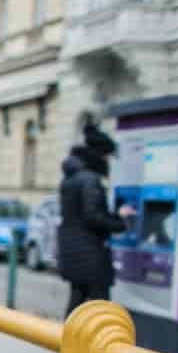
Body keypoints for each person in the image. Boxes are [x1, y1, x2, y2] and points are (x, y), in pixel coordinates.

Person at [57, 120, 135, 318]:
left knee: (77, 301)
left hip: (73, 251)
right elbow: (93, 216)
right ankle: (97, 339)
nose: (109, 161)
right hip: (90, 253)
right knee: (101, 306)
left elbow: (80, 214)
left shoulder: (71, 177)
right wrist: (120, 221)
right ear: (99, 155)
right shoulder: (90, 180)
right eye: (107, 156)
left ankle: (67, 336)